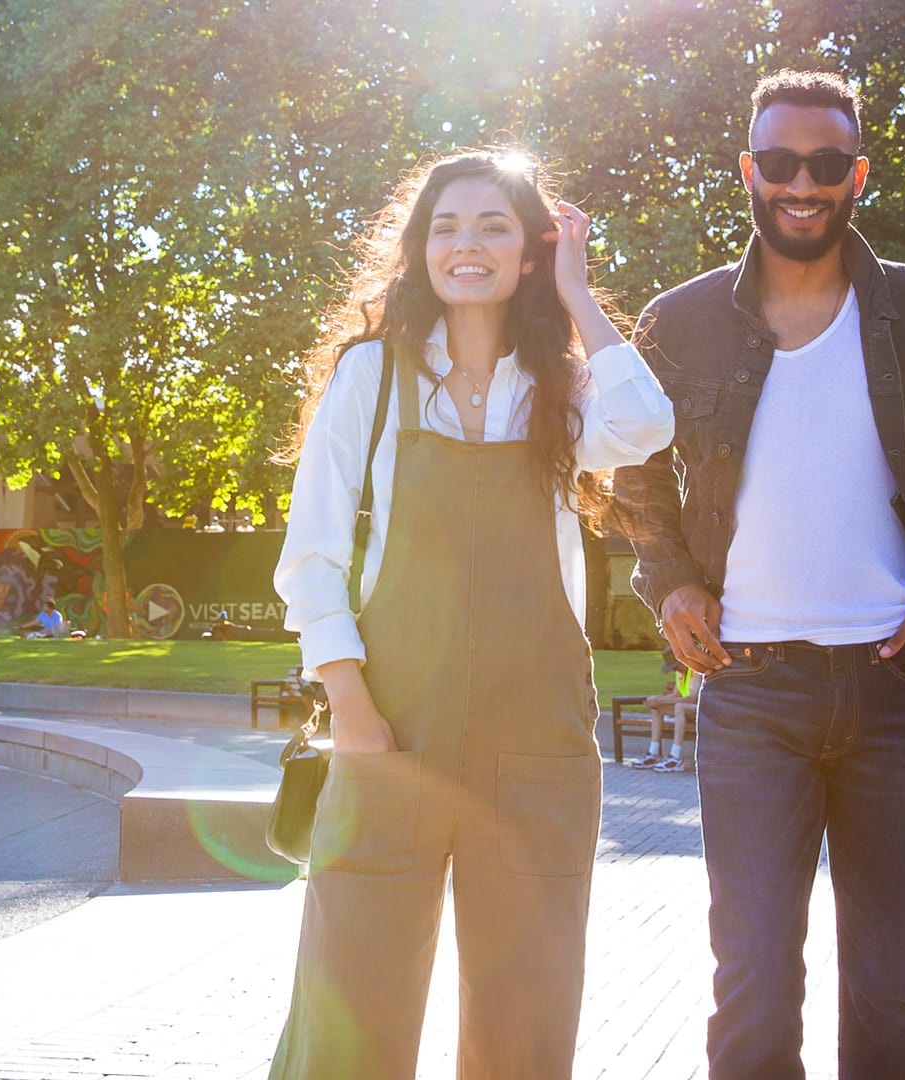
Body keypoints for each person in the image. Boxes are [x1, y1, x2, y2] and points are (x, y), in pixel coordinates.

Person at [612, 71, 905, 1079]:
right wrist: (666, 580)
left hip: (896, 688)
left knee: (886, 986)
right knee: (751, 982)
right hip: (750, 689)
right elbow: (631, 463)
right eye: (781, 162)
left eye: (826, 165)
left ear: (856, 175)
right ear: (749, 171)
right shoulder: (682, 321)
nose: (803, 183)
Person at [269, 148, 674, 1078]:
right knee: (351, 1010)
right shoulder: (370, 379)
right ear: (419, 252)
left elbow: (649, 425)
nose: (468, 245)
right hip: (390, 726)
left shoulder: (562, 389)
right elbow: (311, 561)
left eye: (494, 226)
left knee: (526, 1018)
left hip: (538, 740)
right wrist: (356, 714)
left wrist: (579, 293)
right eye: (445, 227)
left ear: (528, 253)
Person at [629, 646, 698, 772]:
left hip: (701, 710)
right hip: (685, 710)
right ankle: (653, 753)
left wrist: (663, 700)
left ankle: (675, 757)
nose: (675, 670)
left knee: (679, 707)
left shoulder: (696, 671)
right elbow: (675, 695)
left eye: (675, 666)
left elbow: (692, 698)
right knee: (657, 708)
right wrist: (657, 700)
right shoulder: (680, 673)